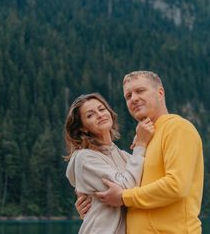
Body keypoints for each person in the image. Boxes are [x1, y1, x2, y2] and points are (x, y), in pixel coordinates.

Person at [78, 71, 204, 233]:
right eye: (128, 96)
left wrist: (123, 197)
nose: (134, 98)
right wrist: (93, 203)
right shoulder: (143, 141)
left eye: (140, 91)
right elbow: (125, 187)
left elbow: (176, 186)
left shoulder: (178, 128)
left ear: (160, 93)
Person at [64, 92, 155, 234]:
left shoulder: (124, 156)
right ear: (82, 127)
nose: (100, 115)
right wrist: (141, 145)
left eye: (102, 109)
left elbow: (144, 188)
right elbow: (125, 188)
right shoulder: (85, 158)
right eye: (90, 115)